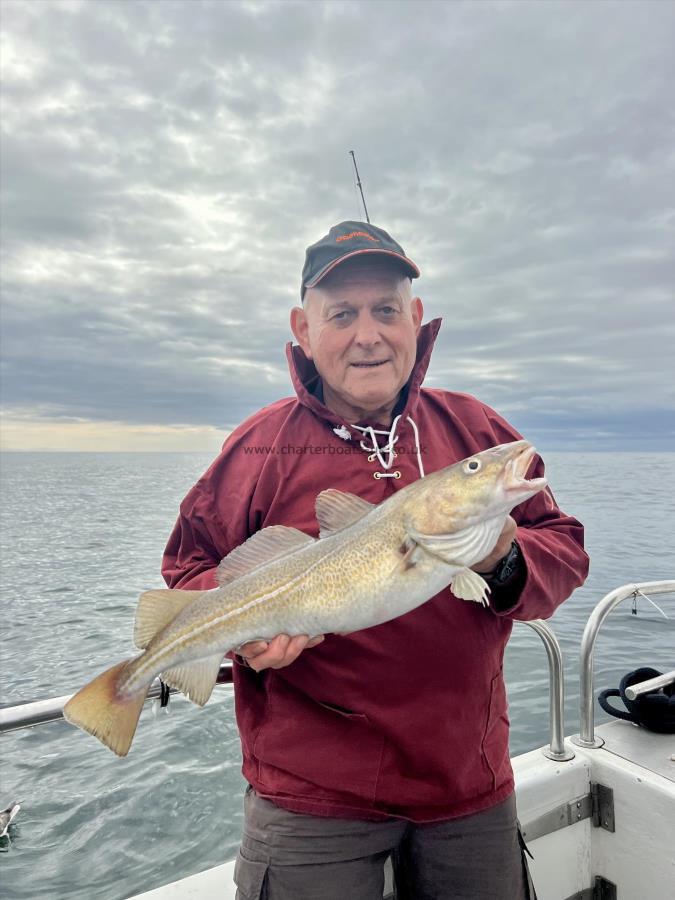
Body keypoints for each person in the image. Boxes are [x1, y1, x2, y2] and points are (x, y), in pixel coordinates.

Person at [162, 221, 589, 900]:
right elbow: (188, 571)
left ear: (415, 320)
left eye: (386, 310)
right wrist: (247, 640)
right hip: (311, 797)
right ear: (303, 329)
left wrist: (504, 554)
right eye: (341, 314)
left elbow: (562, 548)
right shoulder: (257, 447)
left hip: (466, 780)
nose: (368, 334)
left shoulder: (473, 430)